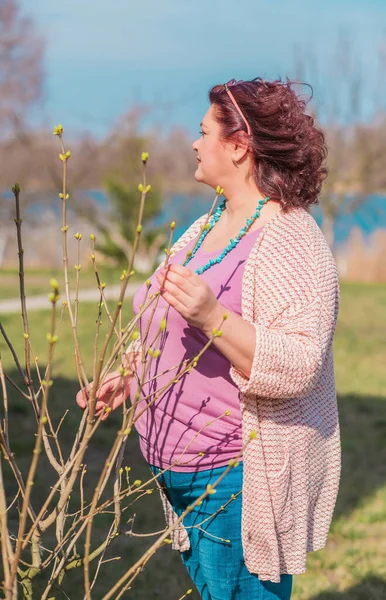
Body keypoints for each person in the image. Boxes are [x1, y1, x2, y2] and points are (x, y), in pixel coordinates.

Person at [77, 77, 341, 600]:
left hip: (236, 478)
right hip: (177, 470)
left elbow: (300, 362)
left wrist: (212, 316)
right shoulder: (207, 225)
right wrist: (129, 376)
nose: (194, 144)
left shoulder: (291, 237)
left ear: (239, 146)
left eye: (203, 133)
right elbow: (162, 320)